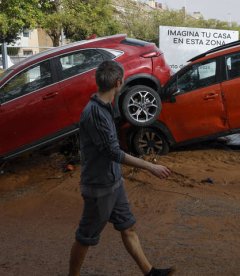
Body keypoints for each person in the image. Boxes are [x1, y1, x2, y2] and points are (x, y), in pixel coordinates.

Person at [69, 60, 175, 276]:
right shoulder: (96, 113)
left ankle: (150, 272)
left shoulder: (105, 106)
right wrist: (149, 167)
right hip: (100, 187)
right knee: (85, 237)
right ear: (118, 83)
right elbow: (114, 153)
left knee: (128, 227)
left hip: (113, 183)